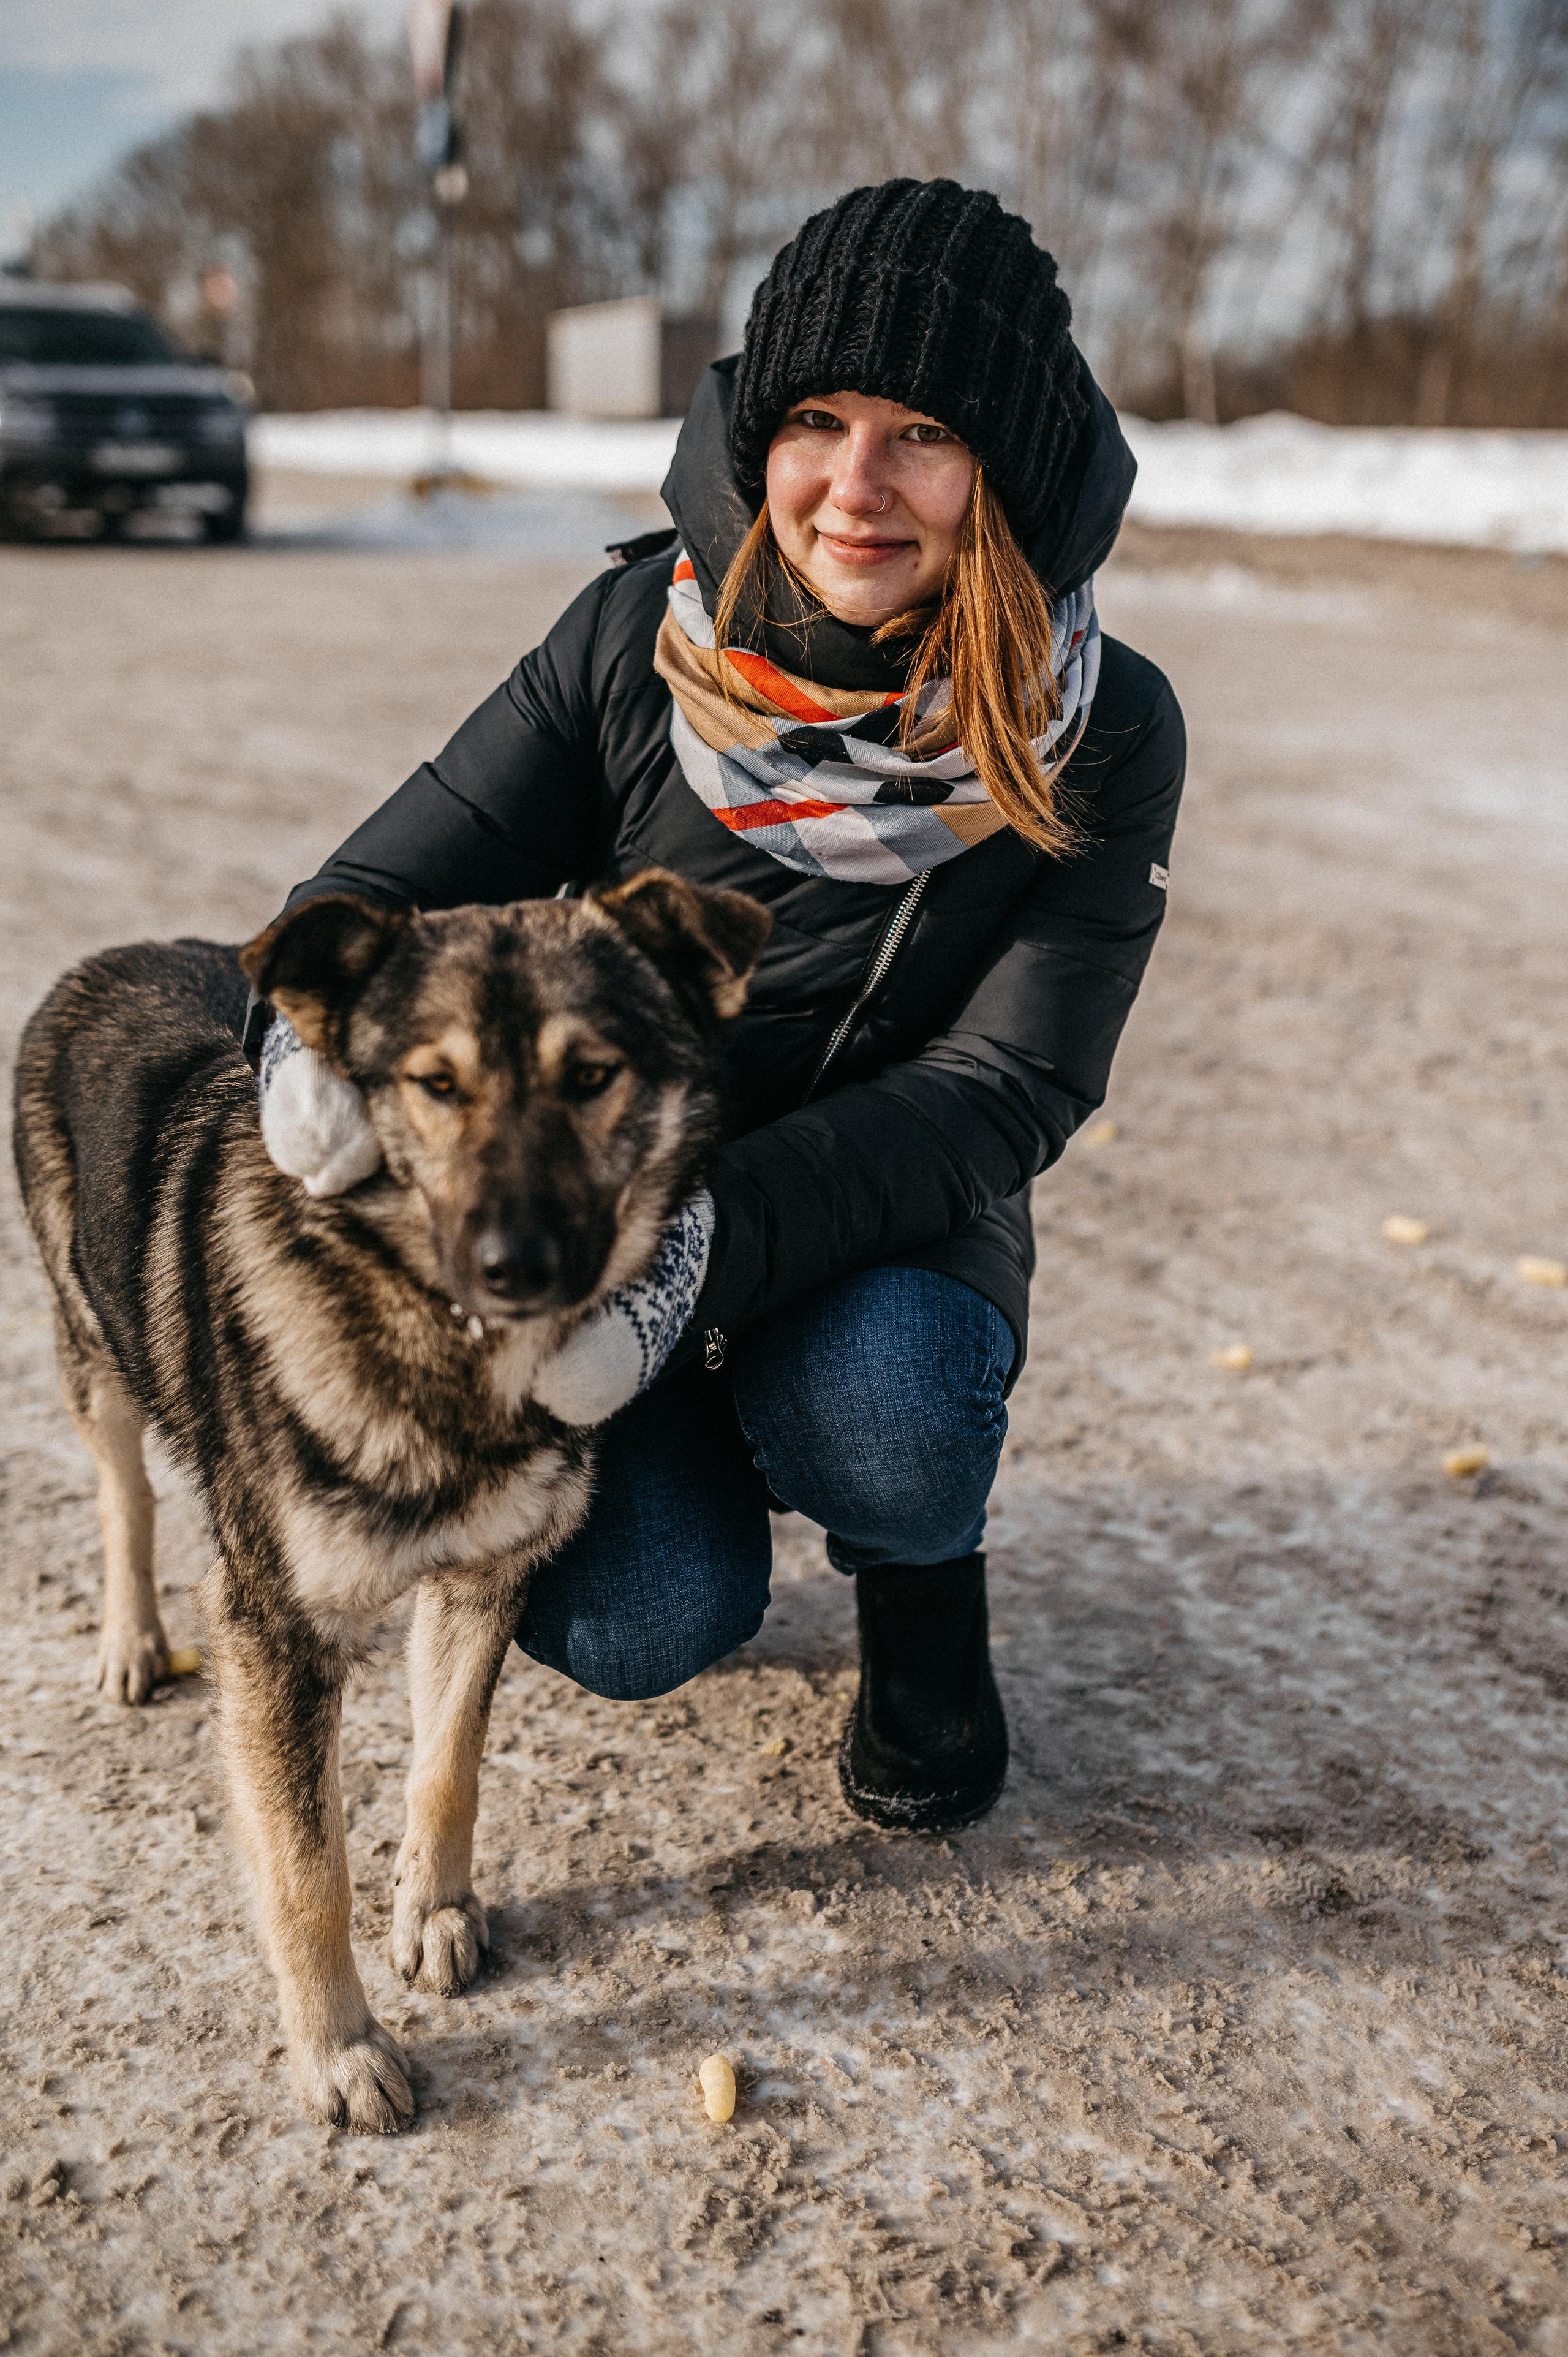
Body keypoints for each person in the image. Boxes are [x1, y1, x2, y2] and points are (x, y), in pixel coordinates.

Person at [250, 178, 1185, 1834]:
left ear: (1007, 470)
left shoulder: (1100, 731)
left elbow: (1007, 1086)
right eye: (816, 419)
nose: (856, 485)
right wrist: (315, 1070)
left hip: (884, 1223)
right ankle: (701, 1487)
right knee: (631, 1620)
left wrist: (694, 1253)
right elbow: (374, 894)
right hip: (590, 1222)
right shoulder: (635, 636)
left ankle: (918, 1593)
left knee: (887, 1413)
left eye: (924, 434)